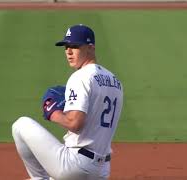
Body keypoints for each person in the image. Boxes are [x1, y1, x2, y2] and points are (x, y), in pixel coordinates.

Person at [12, 24, 123, 180]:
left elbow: (75, 124)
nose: (69, 52)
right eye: (66, 47)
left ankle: (39, 178)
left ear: (90, 47)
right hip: (102, 171)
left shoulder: (80, 77)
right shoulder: (115, 81)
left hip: (75, 165)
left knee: (20, 125)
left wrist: (53, 112)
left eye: (75, 46)